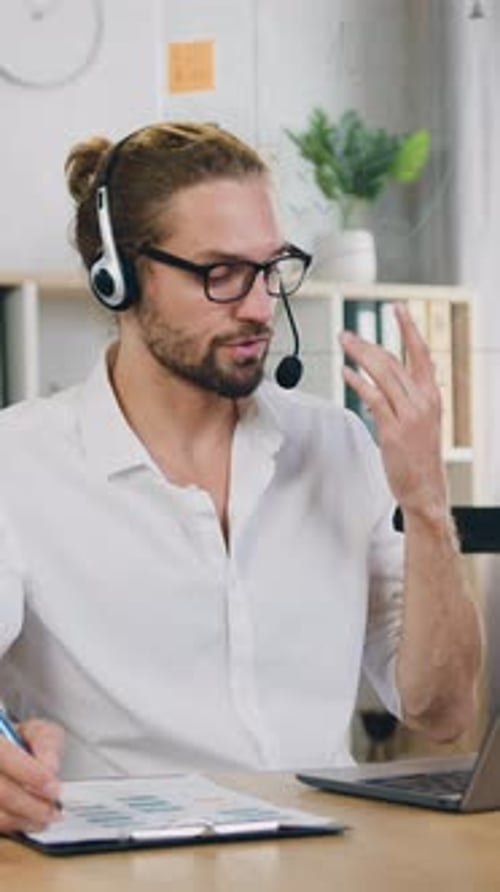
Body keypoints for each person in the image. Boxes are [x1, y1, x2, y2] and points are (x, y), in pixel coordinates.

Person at [0, 122, 481, 834]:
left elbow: (443, 714)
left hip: (331, 861)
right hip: (124, 865)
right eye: (219, 272)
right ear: (118, 275)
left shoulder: (341, 445)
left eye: (269, 267)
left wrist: (428, 502)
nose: (259, 307)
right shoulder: (20, 463)